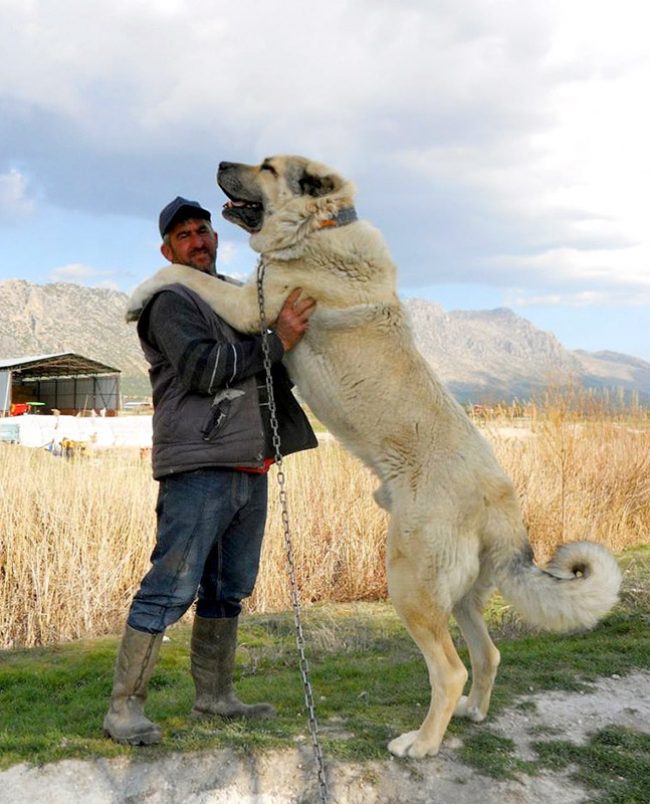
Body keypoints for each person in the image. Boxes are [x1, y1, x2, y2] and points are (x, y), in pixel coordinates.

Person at [103, 196, 318, 745]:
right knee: (169, 588)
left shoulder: (232, 298)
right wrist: (276, 341)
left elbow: (269, 366)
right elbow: (203, 369)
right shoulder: (171, 301)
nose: (198, 240)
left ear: (217, 239)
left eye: (204, 231)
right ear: (166, 250)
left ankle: (216, 698)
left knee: (229, 588)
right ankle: (124, 709)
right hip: (198, 466)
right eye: (184, 235)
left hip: (250, 462)